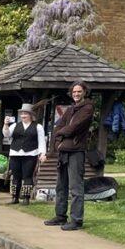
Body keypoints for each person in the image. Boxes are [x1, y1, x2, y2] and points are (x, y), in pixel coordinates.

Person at [45, 81, 94, 231]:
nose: (76, 94)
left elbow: (74, 128)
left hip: (76, 151)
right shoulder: (71, 109)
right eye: (74, 92)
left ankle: (76, 220)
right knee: (61, 186)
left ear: (84, 92)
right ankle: (60, 216)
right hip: (64, 151)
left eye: (79, 91)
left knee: (75, 187)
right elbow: (59, 126)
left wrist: (60, 134)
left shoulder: (87, 108)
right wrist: (58, 140)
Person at [3, 103, 46, 205]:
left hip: (30, 154)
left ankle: (26, 198)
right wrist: (5, 124)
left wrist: (42, 153)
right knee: (15, 176)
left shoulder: (38, 127)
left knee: (27, 176)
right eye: (22, 113)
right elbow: (6, 134)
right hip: (15, 153)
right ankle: (15, 197)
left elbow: (41, 141)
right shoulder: (15, 125)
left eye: (25, 113)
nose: (23, 115)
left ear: (31, 115)